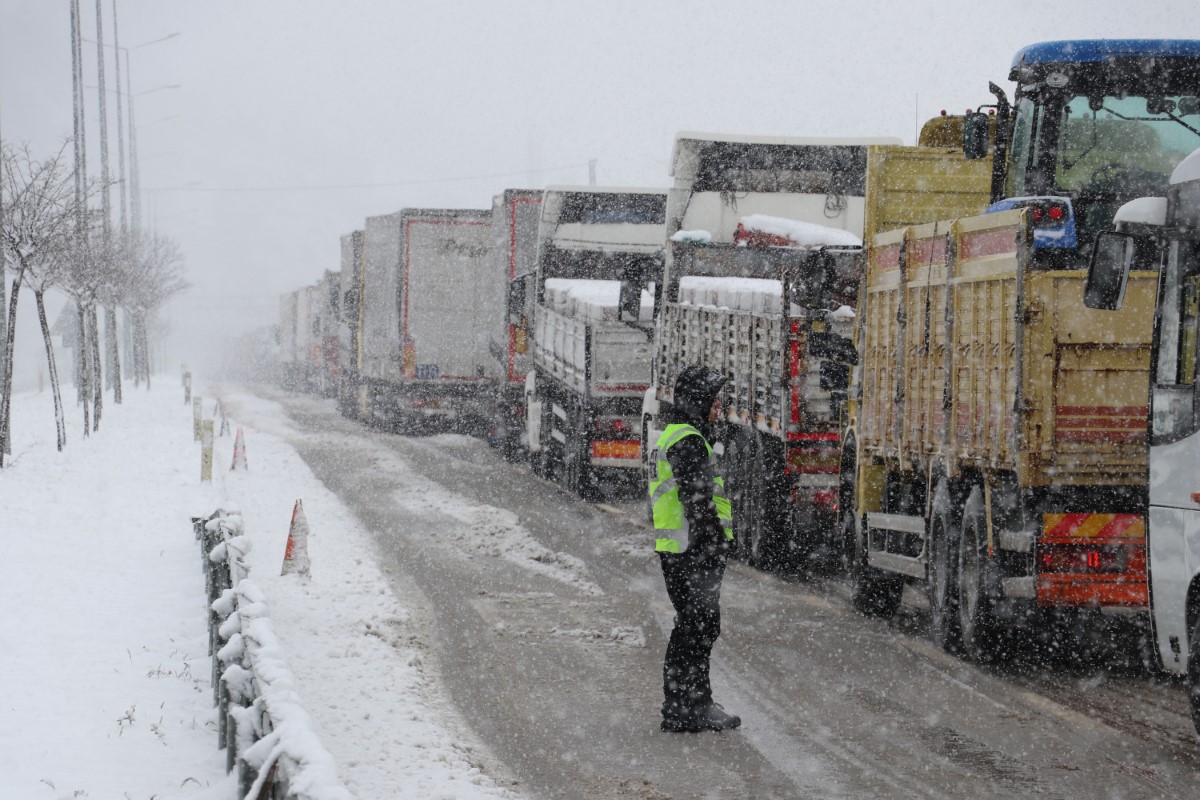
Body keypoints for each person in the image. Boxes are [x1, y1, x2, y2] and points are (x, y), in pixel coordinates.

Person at [648, 365, 741, 732]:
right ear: (698, 402)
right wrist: (715, 544)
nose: (718, 407)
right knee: (697, 628)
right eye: (714, 400)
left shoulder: (680, 435)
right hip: (692, 551)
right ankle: (690, 706)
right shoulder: (686, 440)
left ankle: (684, 705)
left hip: (684, 549)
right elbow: (698, 501)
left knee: (695, 627)